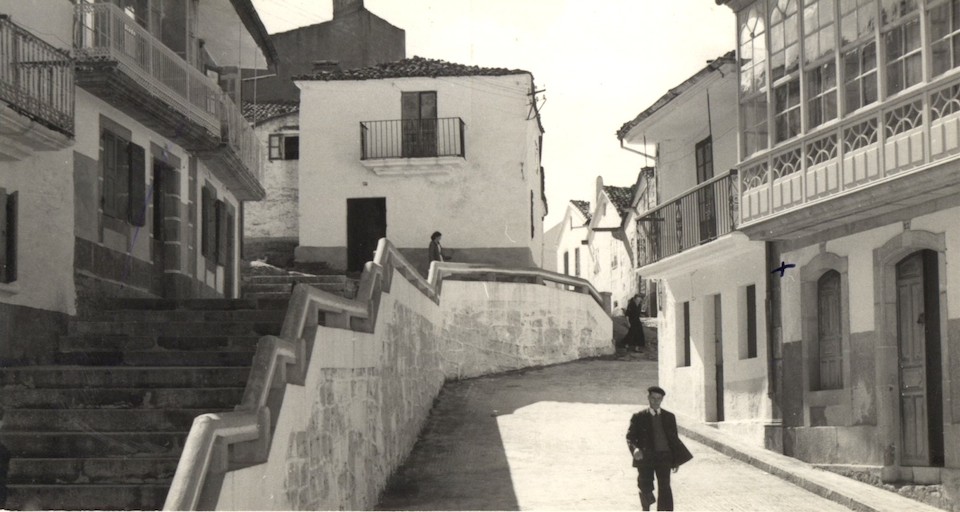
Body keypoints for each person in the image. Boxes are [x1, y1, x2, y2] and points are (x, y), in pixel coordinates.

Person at [626, 386, 693, 511]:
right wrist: (634, 449)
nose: (656, 401)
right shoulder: (639, 417)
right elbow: (630, 437)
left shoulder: (669, 417)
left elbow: (674, 440)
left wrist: (676, 461)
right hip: (646, 457)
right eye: (653, 398)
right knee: (645, 486)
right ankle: (646, 508)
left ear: (662, 399)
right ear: (648, 398)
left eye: (659, 398)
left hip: (664, 456)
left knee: (665, 487)